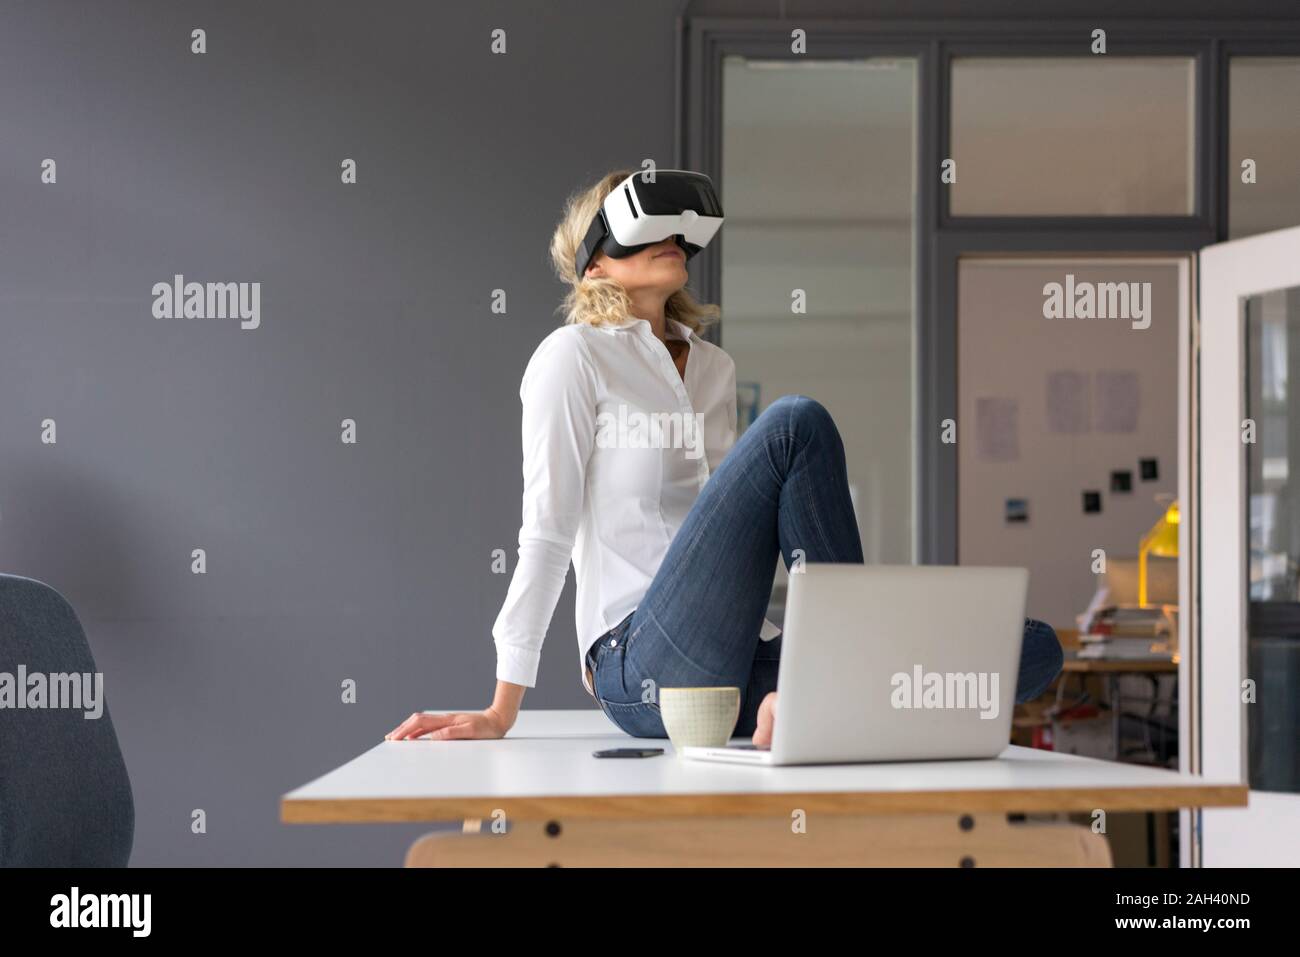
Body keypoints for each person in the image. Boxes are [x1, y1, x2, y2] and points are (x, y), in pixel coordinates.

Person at [387, 169, 1064, 746]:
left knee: (1031, 646)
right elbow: (546, 530)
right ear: (596, 261)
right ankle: (852, 679)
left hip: (735, 659)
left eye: (676, 229)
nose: (671, 239)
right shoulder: (574, 357)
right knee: (796, 423)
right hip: (643, 662)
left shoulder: (713, 369)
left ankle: (821, 694)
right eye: (647, 227)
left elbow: (728, 530)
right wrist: (501, 709)